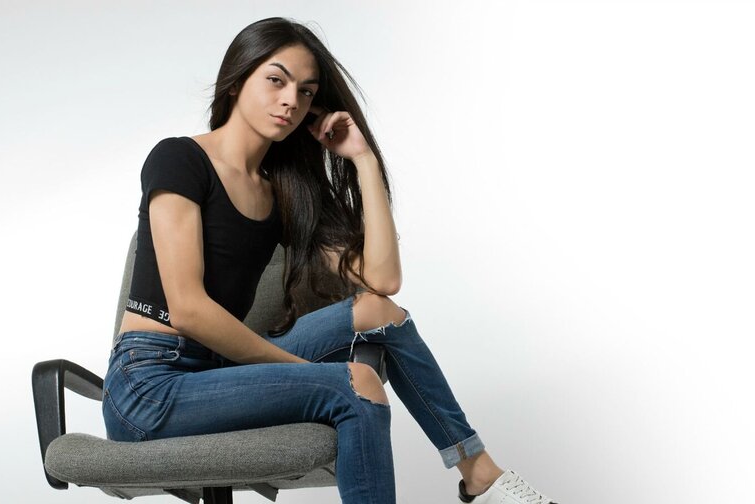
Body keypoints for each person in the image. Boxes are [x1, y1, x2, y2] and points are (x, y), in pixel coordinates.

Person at [101, 16, 559, 504]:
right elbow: (188, 309)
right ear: (236, 81)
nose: (290, 101)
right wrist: (301, 372)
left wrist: (363, 160)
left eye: (305, 92)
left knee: (378, 313)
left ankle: (479, 472)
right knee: (354, 382)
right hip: (148, 386)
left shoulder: (281, 194)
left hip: (217, 371)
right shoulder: (178, 159)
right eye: (276, 80)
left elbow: (383, 280)